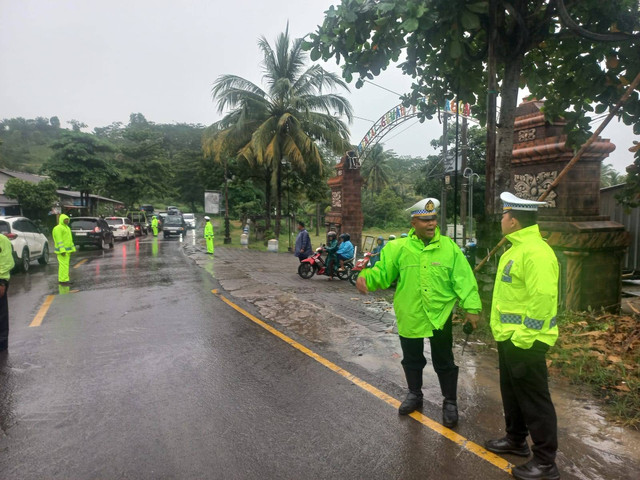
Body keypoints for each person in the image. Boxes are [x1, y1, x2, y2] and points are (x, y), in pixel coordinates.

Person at [356, 198, 481, 427]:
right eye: (425, 219)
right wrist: (366, 278)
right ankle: (415, 394)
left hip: (440, 315)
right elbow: (383, 273)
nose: (431, 223)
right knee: (412, 359)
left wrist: (472, 308)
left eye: (433, 218)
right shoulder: (398, 249)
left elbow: (464, 279)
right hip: (410, 313)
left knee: (444, 361)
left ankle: (450, 402)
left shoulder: (449, 248)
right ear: (414, 222)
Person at [484, 192, 560, 480]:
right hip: (510, 338)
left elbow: (542, 298)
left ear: (513, 221)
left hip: (526, 341)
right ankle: (516, 439)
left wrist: (525, 338)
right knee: (513, 394)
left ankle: (545, 461)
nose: (502, 220)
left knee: (535, 400)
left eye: (504, 216)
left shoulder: (536, 252)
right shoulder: (515, 249)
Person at [0, 233, 15, 351]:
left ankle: (2, 343)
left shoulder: (2, 239)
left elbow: (7, 261)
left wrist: (2, 281)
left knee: (1, 314)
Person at [52, 214, 76, 286]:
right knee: (63, 266)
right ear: (61, 220)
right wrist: (62, 250)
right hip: (62, 251)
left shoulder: (67, 228)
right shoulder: (58, 228)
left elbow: (70, 240)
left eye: (67, 219)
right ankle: (63, 280)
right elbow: (59, 240)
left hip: (67, 251)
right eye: (65, 219)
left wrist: (72, 249)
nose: (67, 221)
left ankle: (64, 280)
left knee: (65, 265)